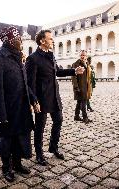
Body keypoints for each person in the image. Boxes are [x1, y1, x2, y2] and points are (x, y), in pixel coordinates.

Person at [25, 29, 84, 166]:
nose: (53, 41)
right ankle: (39, 154)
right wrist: (34, 101)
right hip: (41, 98)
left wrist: (74, 71)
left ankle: (53, 147)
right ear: (42, 41)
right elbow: (29, 83)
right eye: (50, 39)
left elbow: (57, 71)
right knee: (40, 127)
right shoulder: (32, 58)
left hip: (54, 96)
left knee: (59, 120)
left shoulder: (51, 55)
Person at [0, 26, 40, 182]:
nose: (21, 42)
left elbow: (25, 83)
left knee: (20, 138)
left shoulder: (19, 57)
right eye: (18, 40)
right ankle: (6, 168)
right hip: (8, 109)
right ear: (10, 41)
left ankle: (17, 164)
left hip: (22, 108)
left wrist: (33, 98)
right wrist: (1, 116)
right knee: (6, 140)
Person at [72, 51, 93, 124]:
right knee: (83, 102)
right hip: (80, 86)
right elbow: (73, 77)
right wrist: (76, 87)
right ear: (79, 56)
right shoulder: (76, 64)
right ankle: (85, 118)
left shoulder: (87, 64)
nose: (82, 56)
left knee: (79, 102)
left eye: (84, 55)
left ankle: (76, 116)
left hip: (86, 86)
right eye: (81, 55)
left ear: (86, 56)